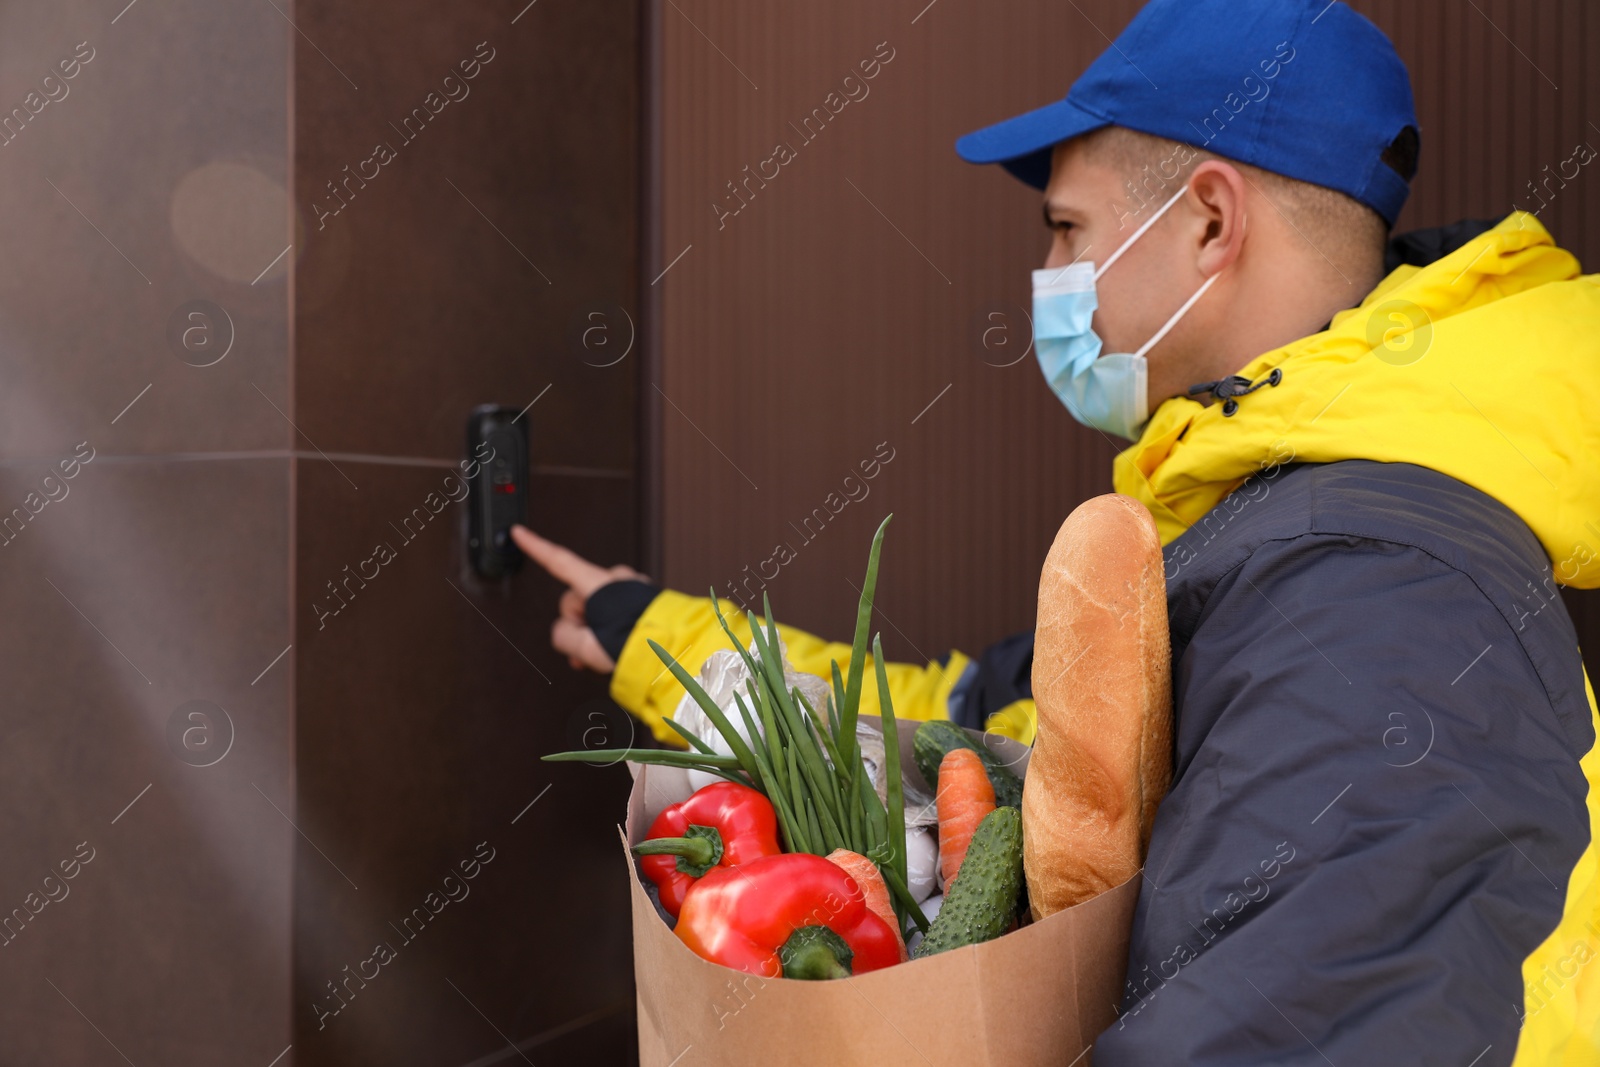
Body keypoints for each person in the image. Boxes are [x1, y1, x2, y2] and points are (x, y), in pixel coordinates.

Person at [516, 0, 1600, 1061]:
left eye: (1066, 229)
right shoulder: (1250, 516)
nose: (1047, 280)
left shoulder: (1377, 592)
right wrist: (649, 634)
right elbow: (964, 716)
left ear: (1211, 222)